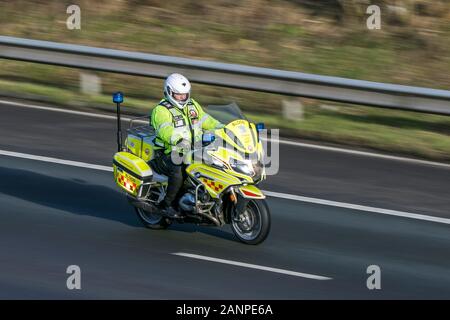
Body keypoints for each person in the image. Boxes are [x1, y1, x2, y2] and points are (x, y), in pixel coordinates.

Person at [150, 73, 224, 218]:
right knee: (179, 171)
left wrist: (223, 128)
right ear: (169, 92)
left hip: (194, 149)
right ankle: (167, 205)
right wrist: (179, 140)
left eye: (185, 95)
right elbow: (165, 130)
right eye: (178, 95)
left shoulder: (193, 105)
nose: (183, 98)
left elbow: (207, 120)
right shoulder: (161, 110)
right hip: (168, 153)